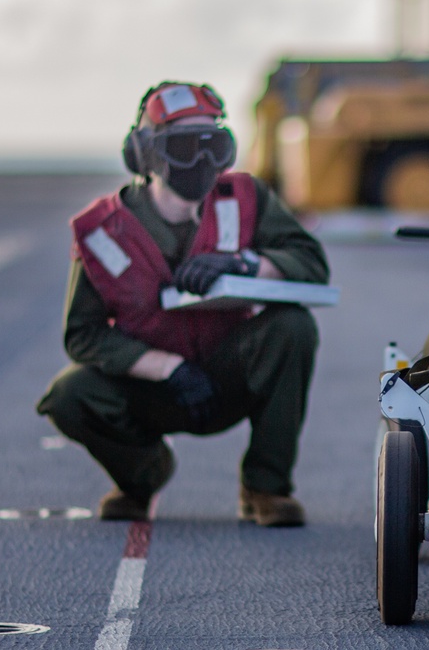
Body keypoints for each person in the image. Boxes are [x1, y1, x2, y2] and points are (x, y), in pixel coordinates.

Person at [37, 81, 329, 526]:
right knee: (68, 395)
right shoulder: (103, 232)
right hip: (154, 386)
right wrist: (164, 368)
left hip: (228, 370)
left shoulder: (245, 198)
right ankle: (140, 476)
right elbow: (84, 335)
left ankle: (266, 488)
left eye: (214, 145)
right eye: (185, 146)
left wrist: (245, 265)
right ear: (145, 154)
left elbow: (311, 263)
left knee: (293, 327)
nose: (202, 162)